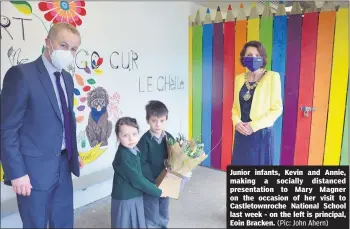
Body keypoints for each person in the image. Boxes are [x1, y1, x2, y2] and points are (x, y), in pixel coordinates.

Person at [1, 22, 84, 228]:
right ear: (48, 43)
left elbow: (67, 119)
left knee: (64, 223)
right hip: (33, 172)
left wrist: (74, 152)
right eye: (63, 45)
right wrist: (17, 173)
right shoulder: (21, 75)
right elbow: (7, 129)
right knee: (35, 224)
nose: (68, 52)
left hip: (63, 167)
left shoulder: (67, 78)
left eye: (74, 49)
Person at [231, 40, 283, 165]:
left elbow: (276, 109)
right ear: (244, 58)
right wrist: (237, 122)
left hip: (261, 134)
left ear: (262, 58)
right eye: (249, 55)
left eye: (257, 55)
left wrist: (253, 126)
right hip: (241, 132)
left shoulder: (272, 77)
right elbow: (235, 107)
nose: (253, 58)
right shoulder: (239, 79)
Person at [111, 117, 167, 228]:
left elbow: (139, 173)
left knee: (135, 221)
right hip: (126, 198)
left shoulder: (133, 149)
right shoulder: (123, 157)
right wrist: (157, 191)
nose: (131, 139)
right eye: (125, 135)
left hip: (134, 194)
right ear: (118, 137)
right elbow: (137, 179)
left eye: (134, 134)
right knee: (125, 223)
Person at [137, 100, 174, 228]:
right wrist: (152, 182)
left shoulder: (169, 137)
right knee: (151, 210)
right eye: (154, 121)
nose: (158, 124)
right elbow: (142, 162)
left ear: (166, 119)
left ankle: (163, 225)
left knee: (164, 208)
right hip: (151, 183)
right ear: (148, 120)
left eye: (162, 121)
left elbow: (175, 156)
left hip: (166, 180)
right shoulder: (144, 140)